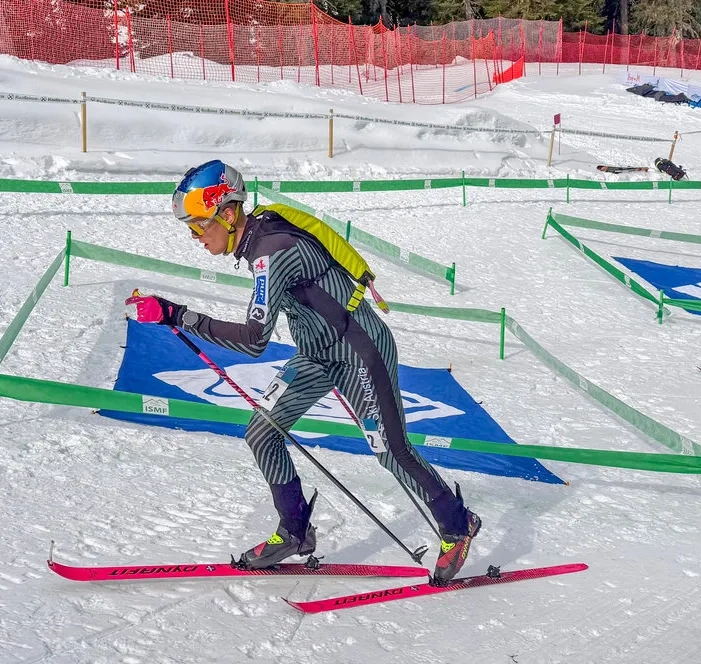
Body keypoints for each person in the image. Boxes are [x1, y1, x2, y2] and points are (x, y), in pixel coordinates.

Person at [123, 160, 481, 584]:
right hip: (316, 355)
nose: (196, 238)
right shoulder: (258, 238)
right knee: (262, 432)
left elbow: (254, 340)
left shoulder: (269, 253)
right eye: (191, 229)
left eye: (199, 226)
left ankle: (458, 524)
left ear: (228, 214)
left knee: (390, 449)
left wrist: (177, 315)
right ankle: (294, 531)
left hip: (360, 352)